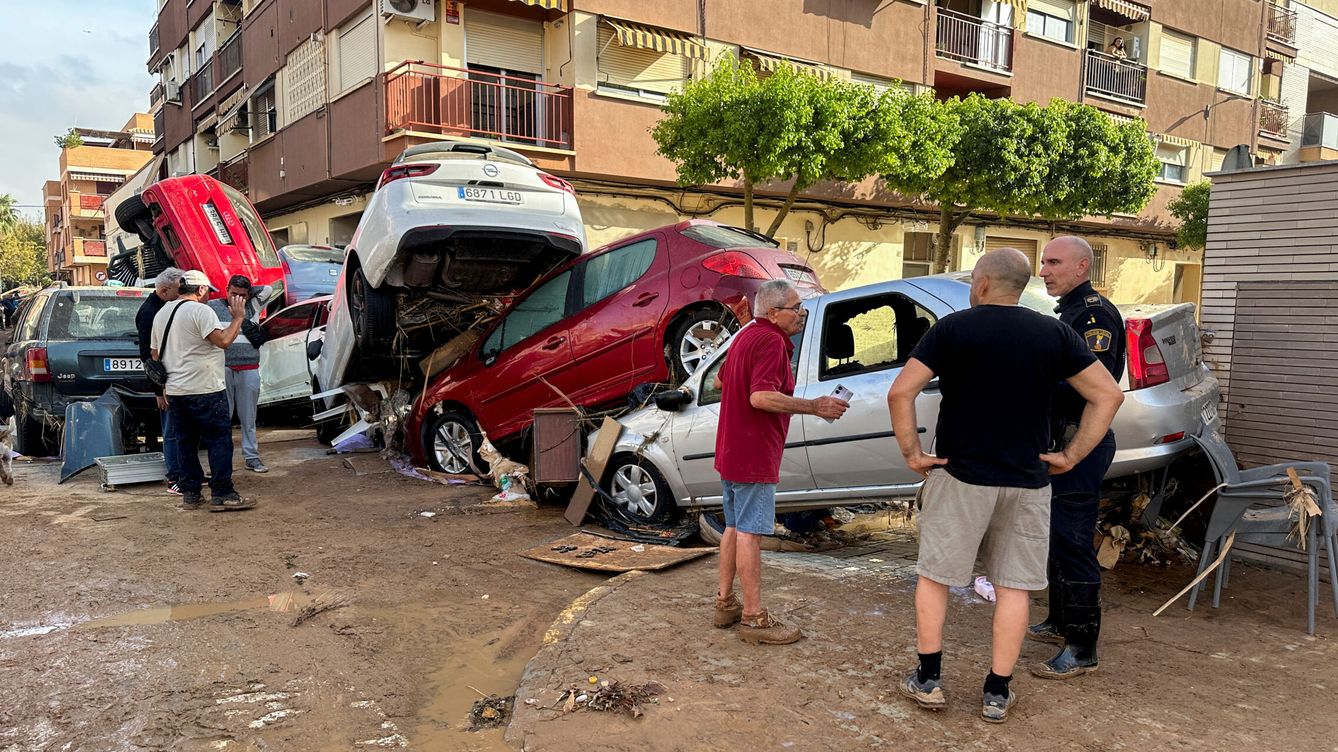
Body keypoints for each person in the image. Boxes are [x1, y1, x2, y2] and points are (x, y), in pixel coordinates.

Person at [887, 248, 1123, 723]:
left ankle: (929, 680)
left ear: (981, 283)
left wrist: (914, 454)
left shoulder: (952, 329)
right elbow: (1108, 394)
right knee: (1014, 586)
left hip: (960, 475)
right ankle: (997, 692)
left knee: (935, 577)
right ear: (1020, 287)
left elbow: (900, 391)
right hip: (1029, 480)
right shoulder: (1055, 332)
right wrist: (1071, 455)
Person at [713, 279, 848, 645]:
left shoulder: (745, 336)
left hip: (731, 450)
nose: (801, 314)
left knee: (733, 527)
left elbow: (722, 380)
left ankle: (725, 602)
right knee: (749, 534)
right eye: (796, 307)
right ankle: (754, 617)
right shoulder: (771, 341)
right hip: (753, 453)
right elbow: (760, 397)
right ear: (773, 312)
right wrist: (814, 407)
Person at [1029, 236, 1126, 679]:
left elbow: (1093, 385)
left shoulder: (1092, 315)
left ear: (1082, 266)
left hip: (1080, 445)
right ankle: (1060, 620)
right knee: (1055, 537)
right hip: (1060, 442)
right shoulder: (1069, 311)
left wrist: (1029, 381)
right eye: (1042, 262)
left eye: (1053, 263)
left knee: (1072, 539)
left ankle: (1082, 645)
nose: (1044, 270)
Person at [151, 269, 256, 512]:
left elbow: (155, 355)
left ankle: (191, 493)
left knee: (186, 443)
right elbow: (224, 341)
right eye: (208, 291)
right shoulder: (201, 310)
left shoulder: (162, 313)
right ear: (200, 290)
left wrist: (164, 387)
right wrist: (238, 317)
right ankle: (223, 493)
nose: (209, 296)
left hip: (177, 391)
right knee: (219, 440)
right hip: (206, 388)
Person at [208, 275, 271, 474]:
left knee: (248, 418)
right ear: (226, 291)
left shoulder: (252, 306)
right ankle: (220, 462)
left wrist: (245, 298)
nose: (237, 298)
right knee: (221, 419)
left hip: (249, 368)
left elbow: (268, 289)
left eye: (242, 295)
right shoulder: (212, 307)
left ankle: (251, 457)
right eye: (233, 294)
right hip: (222, 368)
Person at [136, 267, 185, 494]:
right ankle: (174, 477)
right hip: (165, 383)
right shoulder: (150, 312)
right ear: (164, 290)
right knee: (171, 430)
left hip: (176, 379)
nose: (182, 293)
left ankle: (185, 472)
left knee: (180, 429)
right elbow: (148, 357)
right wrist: (158, 390)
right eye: (178, 289)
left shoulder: (166, 306)